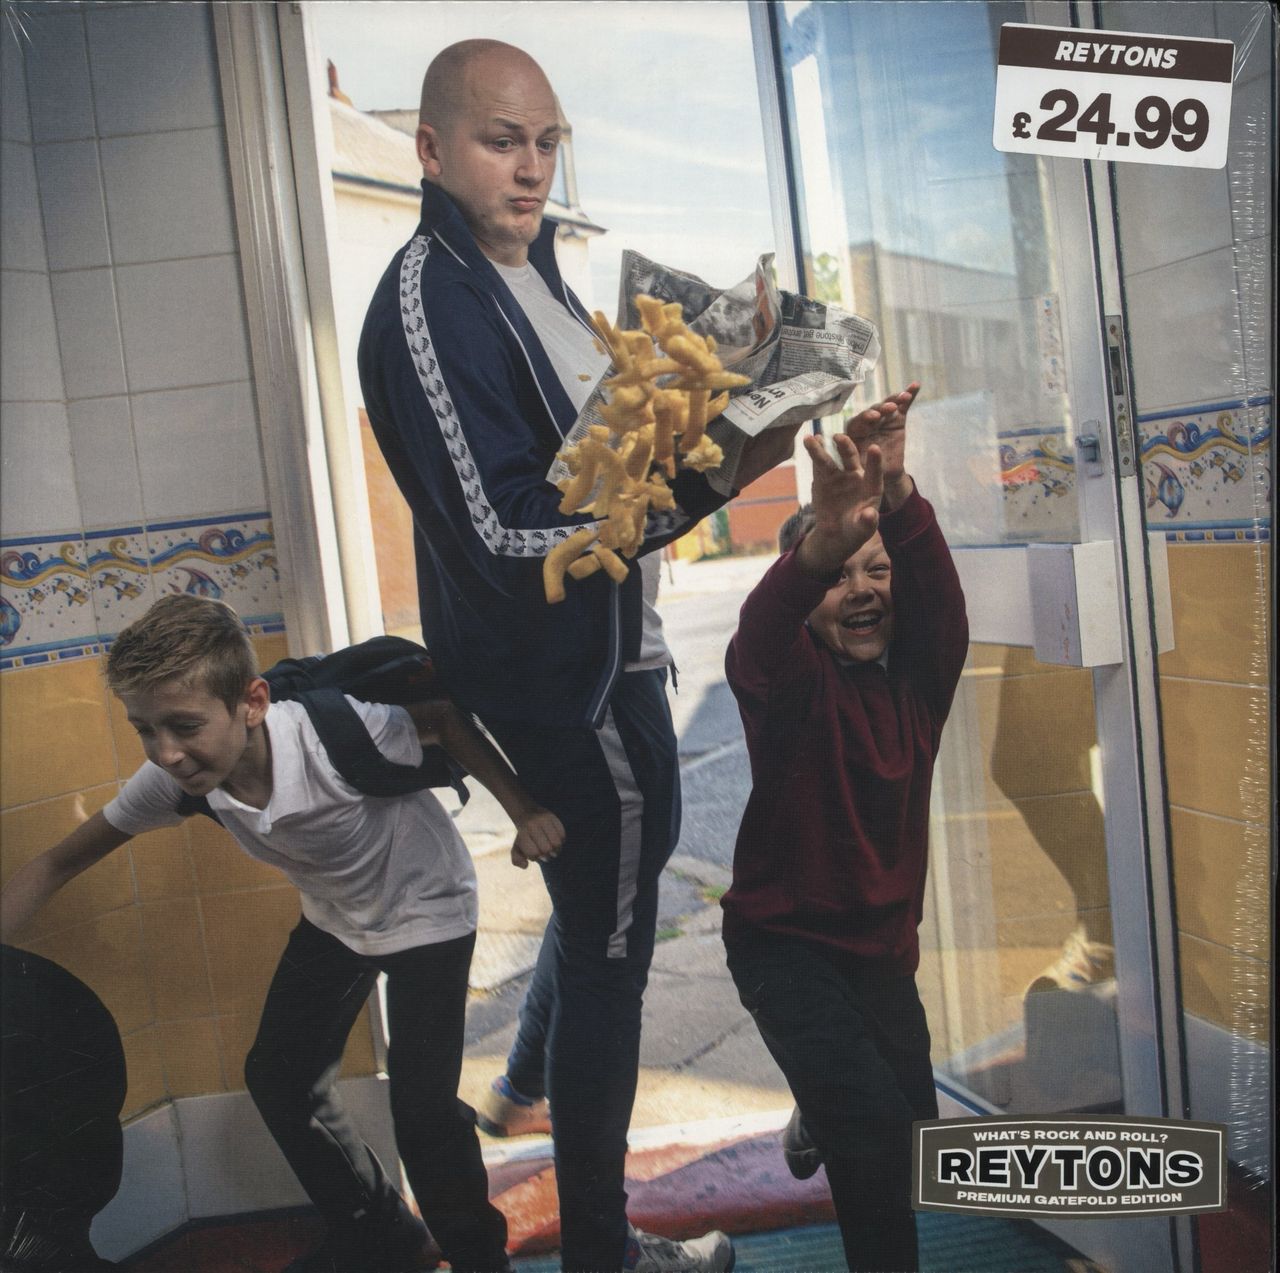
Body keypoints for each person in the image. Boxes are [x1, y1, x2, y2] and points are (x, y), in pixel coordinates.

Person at [358, 37, 802, 1273]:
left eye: (547, 142)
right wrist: (721, 472)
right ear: (431, 149)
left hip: (624, 653)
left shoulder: (539, 274)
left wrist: (726, 386)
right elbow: (506, 534)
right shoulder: (428, 303)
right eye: (502, 141)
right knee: (612, 959)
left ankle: (520, 1085)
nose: (531, 167)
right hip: (568, 686)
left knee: (606, 899)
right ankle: (604, 1252)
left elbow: (598, 464)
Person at [0, 594, 567, 1273]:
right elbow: (56, 862)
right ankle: (386, 1236)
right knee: (280, 1076)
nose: (167, 752)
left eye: (184, 725)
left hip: (428, 912)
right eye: (145, 729)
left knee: (423, 1114)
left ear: (253, 702)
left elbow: (445, 720)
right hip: (337, 917)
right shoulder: (173, 782)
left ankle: (480, 1259)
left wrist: (525, 811)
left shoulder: (337, 736)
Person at [720, 383, 969, 1273]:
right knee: (872, 1141)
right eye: (837, 575)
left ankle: (821, 1107)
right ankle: (834, 1110)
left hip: (878, 954)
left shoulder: (919, 687)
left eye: (877, 571)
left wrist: (896, 488)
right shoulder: (791, 684)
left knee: (914, 1139)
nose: (860, 588)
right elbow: (758, 630)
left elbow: (944, 603)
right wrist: (820, 542)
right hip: (784, 945)